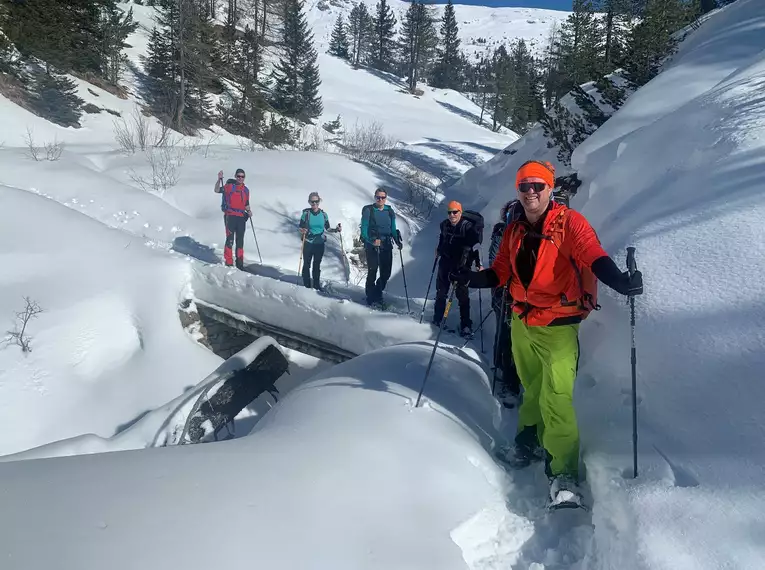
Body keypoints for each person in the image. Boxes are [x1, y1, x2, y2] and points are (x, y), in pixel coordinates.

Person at [450, 159, 643, 508]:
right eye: (525, 186)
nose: (531, 192)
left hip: (558, 328)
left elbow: (592, 255)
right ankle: (530, 440)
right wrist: (470, 279)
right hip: (522, 323)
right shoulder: (514, 231)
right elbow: (500, 274)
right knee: (533, 388)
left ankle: (563, 473)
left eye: (538, 185)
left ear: (550, 188)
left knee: (556, 398)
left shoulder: (570, 223)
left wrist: (619, 281)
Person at [488, 199, 523, 405]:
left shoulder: (526, 232)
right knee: (505, 335)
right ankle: (508, 379)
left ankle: (509, 374)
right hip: (503, 293)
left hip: (519, 296)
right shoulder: (502, 233)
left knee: (511, 336)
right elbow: (495, 263)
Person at [432, 200, 482, 336]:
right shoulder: (444, 225)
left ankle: (466, 325)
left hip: (461, 267)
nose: (452, 215)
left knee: (462, 296)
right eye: (450, 212)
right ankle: (437, 319)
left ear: (461, 212)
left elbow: (476, 248)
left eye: (455, 212)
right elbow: (442, 239)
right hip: (445, 263)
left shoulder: (468, 228)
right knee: (441, 292)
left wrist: (479, 264)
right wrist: (438, 249)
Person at [360, 188, 402, 307]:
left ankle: (377, 293)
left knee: (386, 273)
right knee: (372, 270)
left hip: (386, 244)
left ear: (386, 198)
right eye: (378, 197)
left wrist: (397, 239)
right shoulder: (369, 210)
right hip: (372, 245)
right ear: (375, 197)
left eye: (383, 197)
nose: (380, 199)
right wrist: (371, 240)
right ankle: (371, 296)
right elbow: (364, 230)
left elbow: (393, 228)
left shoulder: (389, 211)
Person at [298, 192, 341, 291]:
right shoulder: (306, 214)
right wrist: (302, 230)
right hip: (308, 242)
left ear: (319, 201)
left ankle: (316, 286)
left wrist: (336, 230)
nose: (314, 203)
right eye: (312, 201)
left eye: (316, 201)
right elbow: (300, 227)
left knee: (316, 265)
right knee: (306, 264)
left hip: (319, 244)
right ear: (309, 202)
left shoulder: (324, 215)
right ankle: (307, 286)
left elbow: (327, 228)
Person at [214, 168, 252, 270]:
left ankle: (240, 263)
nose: (240, 178)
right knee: (230, 240)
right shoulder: (229, 187)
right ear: (235, 176)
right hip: (230, 216)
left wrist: (249, 211)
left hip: (241, 218)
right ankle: (229, 262)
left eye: (242, 176)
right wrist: (219, 180)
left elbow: (246, 203)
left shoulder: (246, 190)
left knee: (240, 241)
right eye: (238, 176)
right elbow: (217, 190)